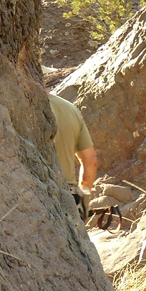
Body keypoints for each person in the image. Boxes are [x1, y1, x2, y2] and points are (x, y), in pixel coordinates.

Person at [48, 92, 98, 220]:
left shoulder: (15, 106)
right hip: (67, 196)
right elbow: (90, 162)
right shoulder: (70, 109)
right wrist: (83, 202)